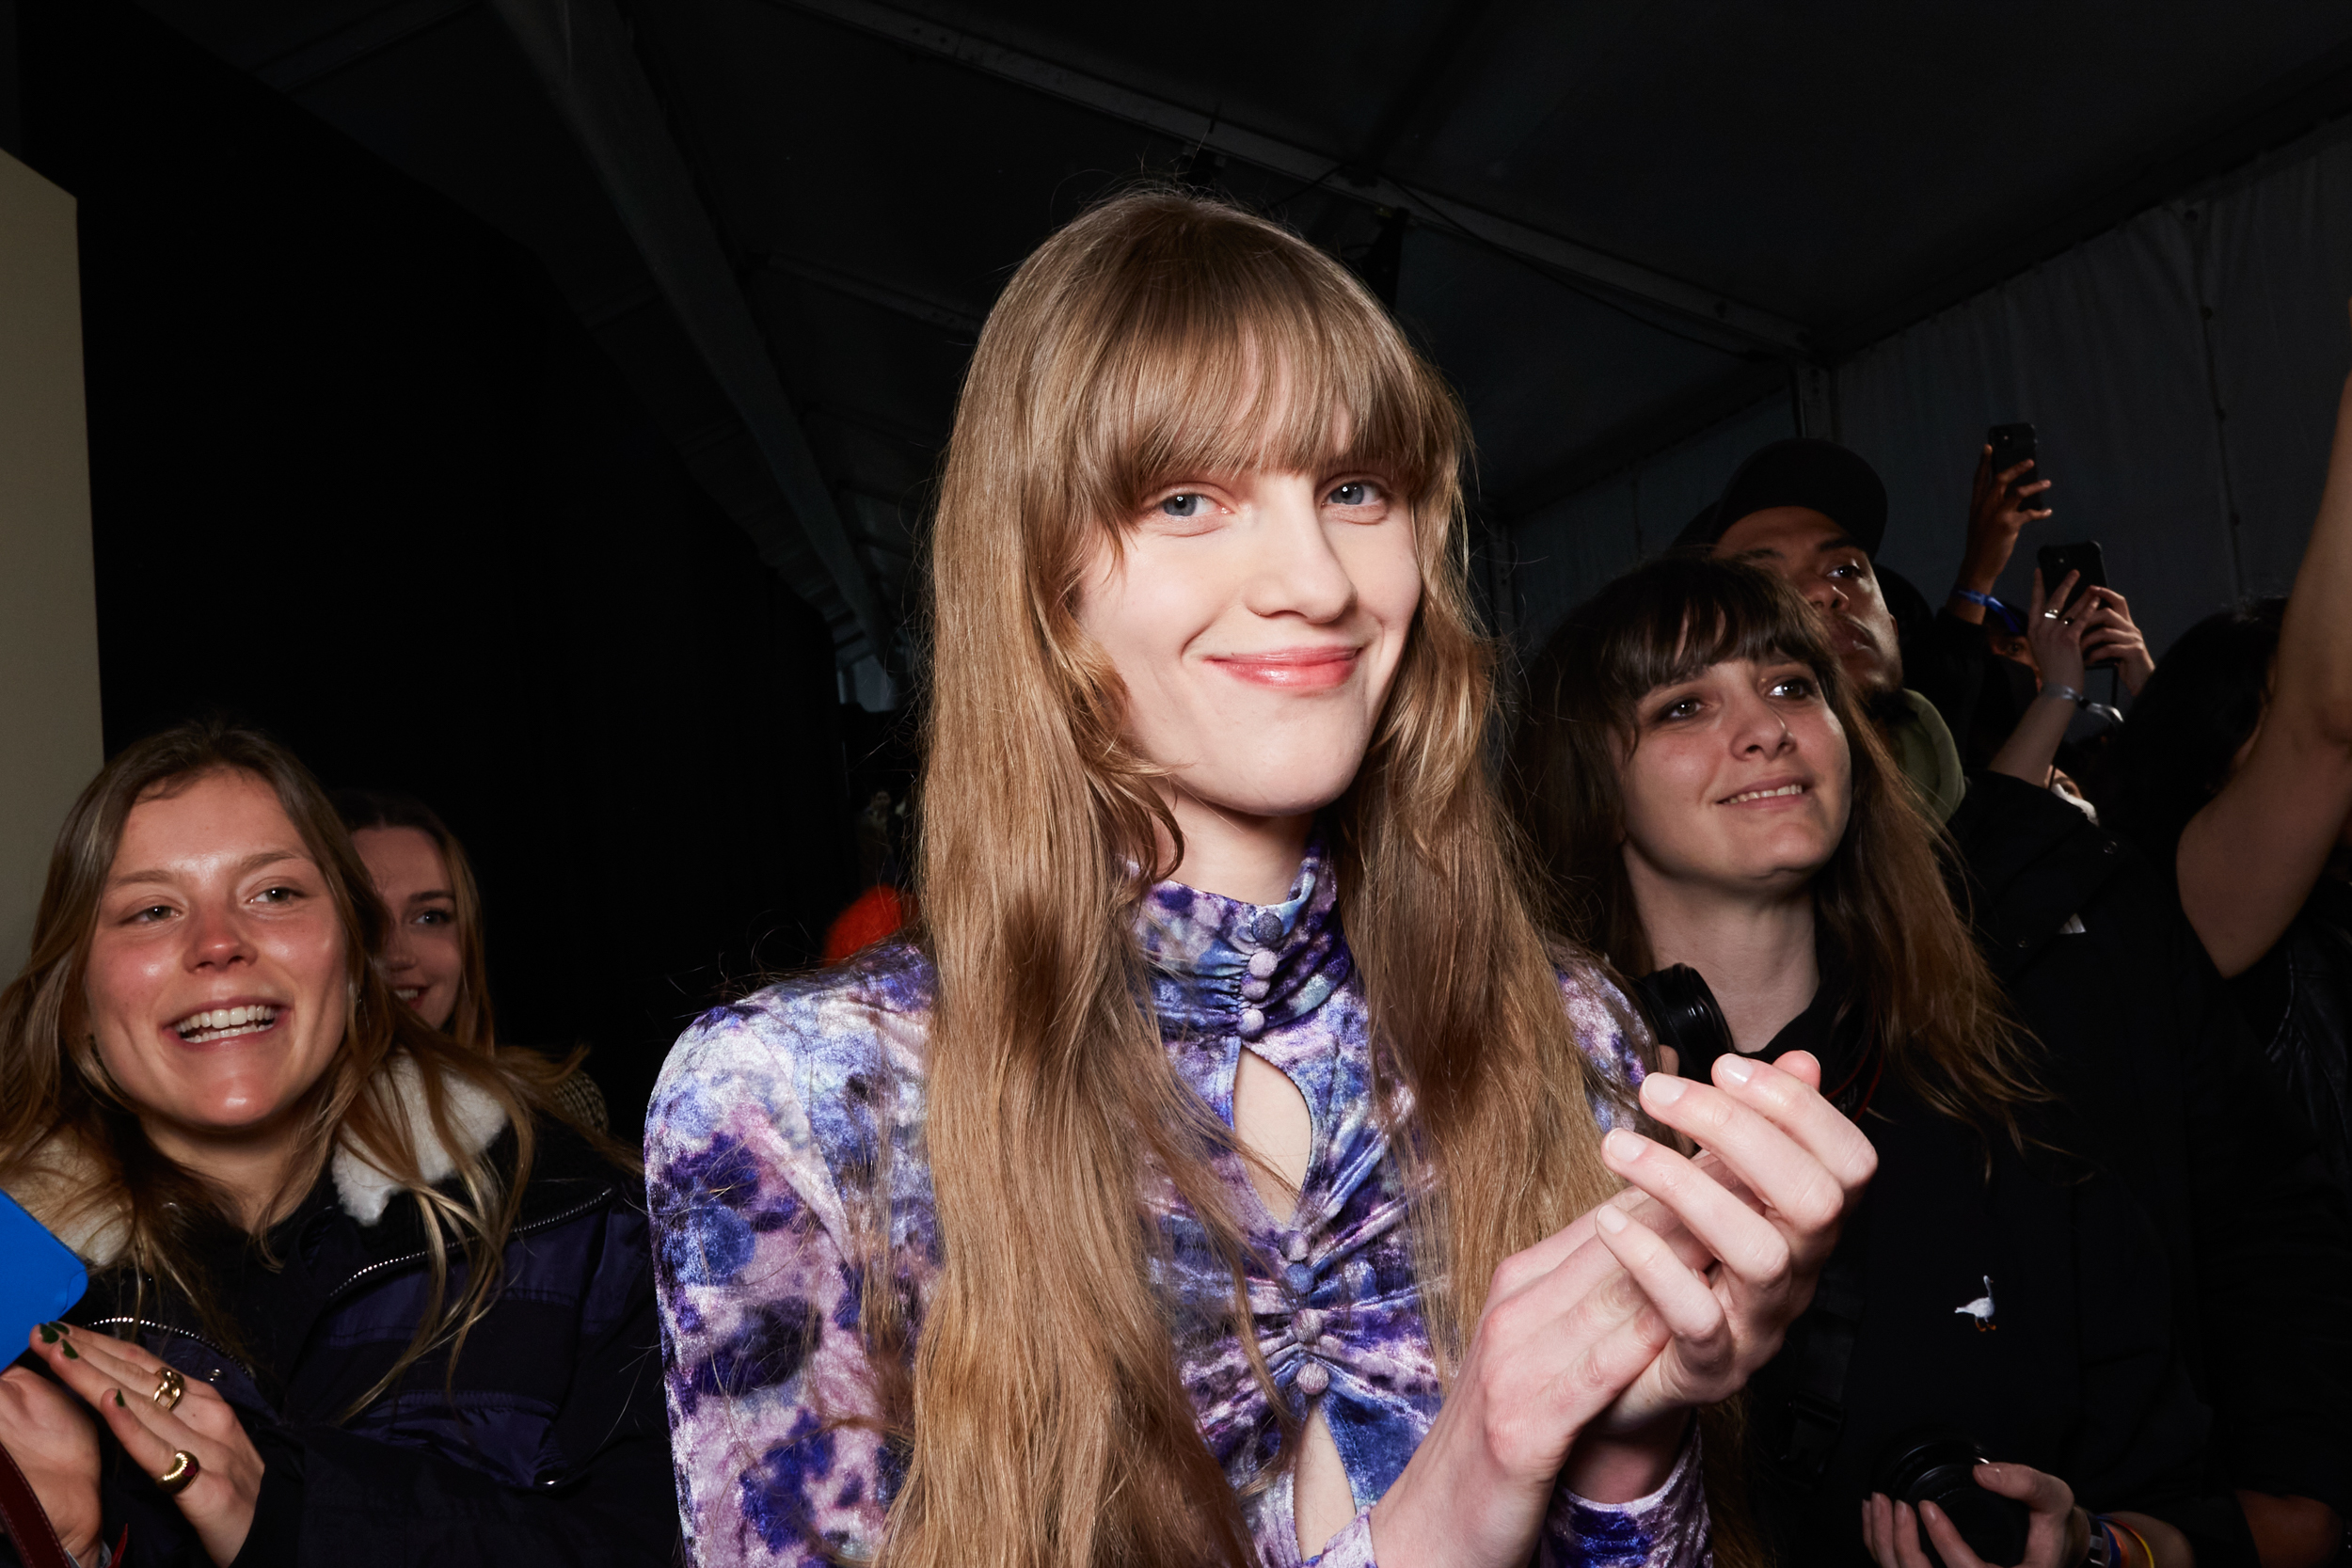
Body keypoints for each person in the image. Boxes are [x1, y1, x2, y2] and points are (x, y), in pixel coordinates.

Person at [644, 190, 1877, 1568]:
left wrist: (1628, 1442)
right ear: (1041, 582)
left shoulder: (1569, 1030)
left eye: (1355, 490)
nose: (1316, 579)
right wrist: (1453, 1501)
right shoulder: (803, 1100)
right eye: (1188, 499)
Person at [1688, 442, 2352, 1568]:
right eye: (1763, 576)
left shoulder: (2071, 878)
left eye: (1846, 567)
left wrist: (2277, 1500)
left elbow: (2258, 1203)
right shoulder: (1712, 987)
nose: (1823, 592)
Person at [1514, 554, 2236, 1568]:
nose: (1765, 727)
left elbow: (2182, 1511)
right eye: (1683, 705)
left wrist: (2091, 1548)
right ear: (1591, 782)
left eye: (1790, 686)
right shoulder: (1529, 1142)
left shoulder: (2002, 1099)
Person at [0, 721, 674, 1567]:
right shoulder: (19, 1289)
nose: (218, 943)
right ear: (78, 998)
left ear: (355, 959)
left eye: (274, 892)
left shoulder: (583, 1224)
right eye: (153, 910)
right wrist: (62, 1549)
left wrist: (290, 1512)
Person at [336, 787, 607, 1131]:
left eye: (430, 917)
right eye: (365, 920)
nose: (398, 956)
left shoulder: (557, 1107)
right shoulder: (285, 1131)